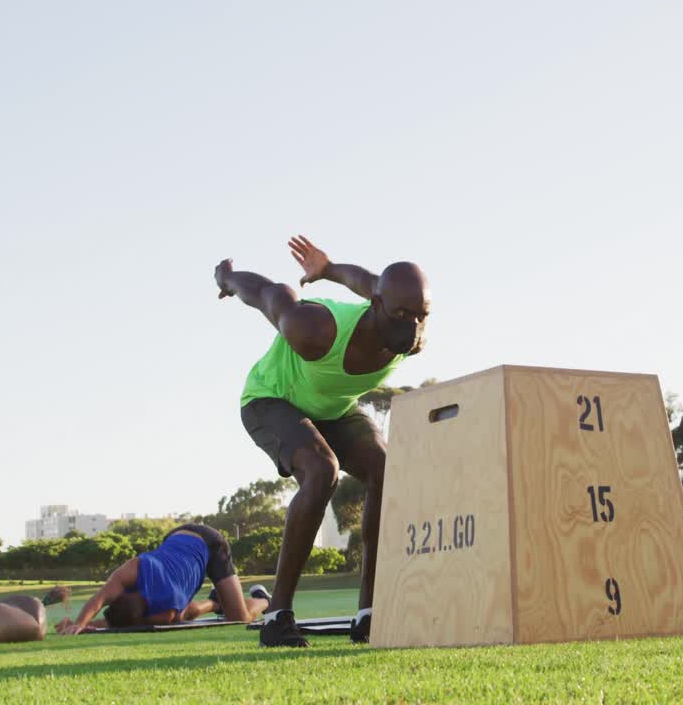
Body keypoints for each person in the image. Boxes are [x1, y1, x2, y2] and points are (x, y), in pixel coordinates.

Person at [215, 235, 430, 647]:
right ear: (378, 305)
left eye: (421, 315)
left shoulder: (410, 335)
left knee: (386, 468)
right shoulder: (314, 329)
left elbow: (366, 279)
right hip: (271, 399)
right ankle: (277, 616)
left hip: (332, 408)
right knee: (321, 470)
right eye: (403, 314)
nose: (413, 327)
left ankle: (369, 613)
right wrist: (227, 278)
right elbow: (268, 294)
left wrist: (328, 269)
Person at [56, 524, 268, 633]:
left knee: (239, 618)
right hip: (176, 536)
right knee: (183, 612)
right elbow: (100, 597)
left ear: (143, 616)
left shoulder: (165, 607)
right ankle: (214, 601)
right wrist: (79, 624)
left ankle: (263, 598)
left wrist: (86, 625)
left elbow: (120, 625)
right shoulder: (132, 570)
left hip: (211, 544)